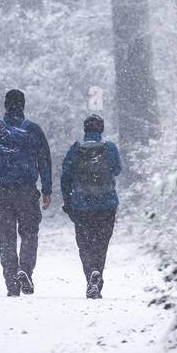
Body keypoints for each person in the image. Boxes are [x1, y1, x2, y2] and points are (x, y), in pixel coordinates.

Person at [0, 89, 52, 296]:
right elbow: (44, 159)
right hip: (27, 190)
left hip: (1, 191)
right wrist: (47, 189)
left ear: (6, 105)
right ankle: (25, 270)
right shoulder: (33, 130)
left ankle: (11, 283)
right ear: (23, 105)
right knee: (29, 233)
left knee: (6, 237)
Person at [60, 113, 122, 299]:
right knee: (101, 244)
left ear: (85, 129)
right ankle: (97, 274)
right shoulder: (109, 148)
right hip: (106, 204)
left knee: (85, 244)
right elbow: (117, 170)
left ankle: (91, 276)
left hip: (81, 205)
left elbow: (65, 178)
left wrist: (68, 202)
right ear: (101, 129)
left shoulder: (75, 149)